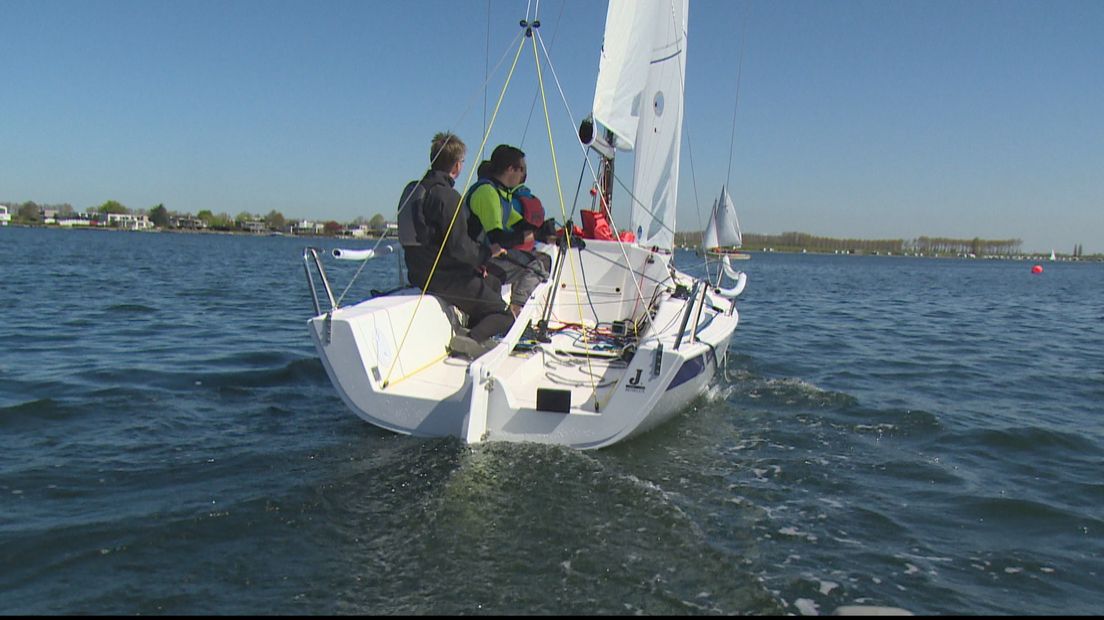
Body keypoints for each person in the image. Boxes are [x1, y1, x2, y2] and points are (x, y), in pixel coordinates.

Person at [397, 132, 514, 358]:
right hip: (444, 278)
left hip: (419, 273)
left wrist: (476, 264)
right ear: (457, 166)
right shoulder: (447, 197)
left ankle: (474, 332)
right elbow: (461, 247)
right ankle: (469, 340)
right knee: (505, 315)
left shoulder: (413, 190)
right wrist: (487, 253)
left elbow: (439, 242)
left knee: (492, 282)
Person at [466, 145, 553, 317]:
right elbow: (499, 239)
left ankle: (513, 312)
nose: (523, 175)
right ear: (510, 169)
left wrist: (554, 235)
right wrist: (534, 235)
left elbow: (521, 225)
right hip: (476, 260)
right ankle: (515, 313)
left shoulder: (500, 194)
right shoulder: (487, 192)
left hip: (486, 256)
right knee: (537, 265)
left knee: (542, 260)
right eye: (521, 169)